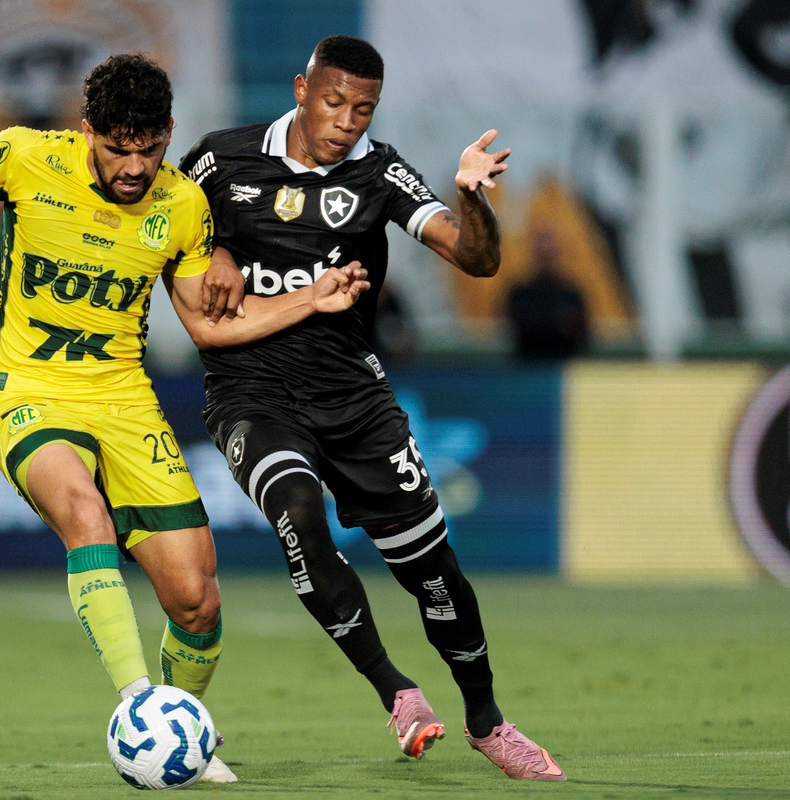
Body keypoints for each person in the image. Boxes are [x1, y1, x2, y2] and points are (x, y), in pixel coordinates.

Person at [0, 53, 369, 785]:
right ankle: (140, 709)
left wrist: (312, 297)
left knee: (196, 599)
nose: (134, 168)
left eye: (149, 149)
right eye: (118, 149)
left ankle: (176, 737)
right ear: (88, 132)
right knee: (88, 518)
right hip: (28, 391)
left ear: (168, 134)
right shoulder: (26, 158)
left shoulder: (180, 205)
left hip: (122, 399)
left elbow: (208, 329)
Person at [180, 35, 565, 781]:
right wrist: (213, 249)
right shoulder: (218, 160)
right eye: (334, 102)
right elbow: (164, 224)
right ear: (299, 89)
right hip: (251, 393)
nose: (347, 120)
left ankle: (488, 720)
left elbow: (477, 258)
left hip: (354, 399)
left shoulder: (380, 171)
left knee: (431, 568)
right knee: (295, 506)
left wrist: (472, 197)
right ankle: (397, 691)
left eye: (363, 108)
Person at [505, 227, 590, 360]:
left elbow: (582, 331)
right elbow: (522, 327)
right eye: (543, 256)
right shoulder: (520, 293)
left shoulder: (571, 294)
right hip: (529, 369)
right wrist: (558, 323)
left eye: (550, 254)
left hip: (564, 370)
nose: (546, 261)